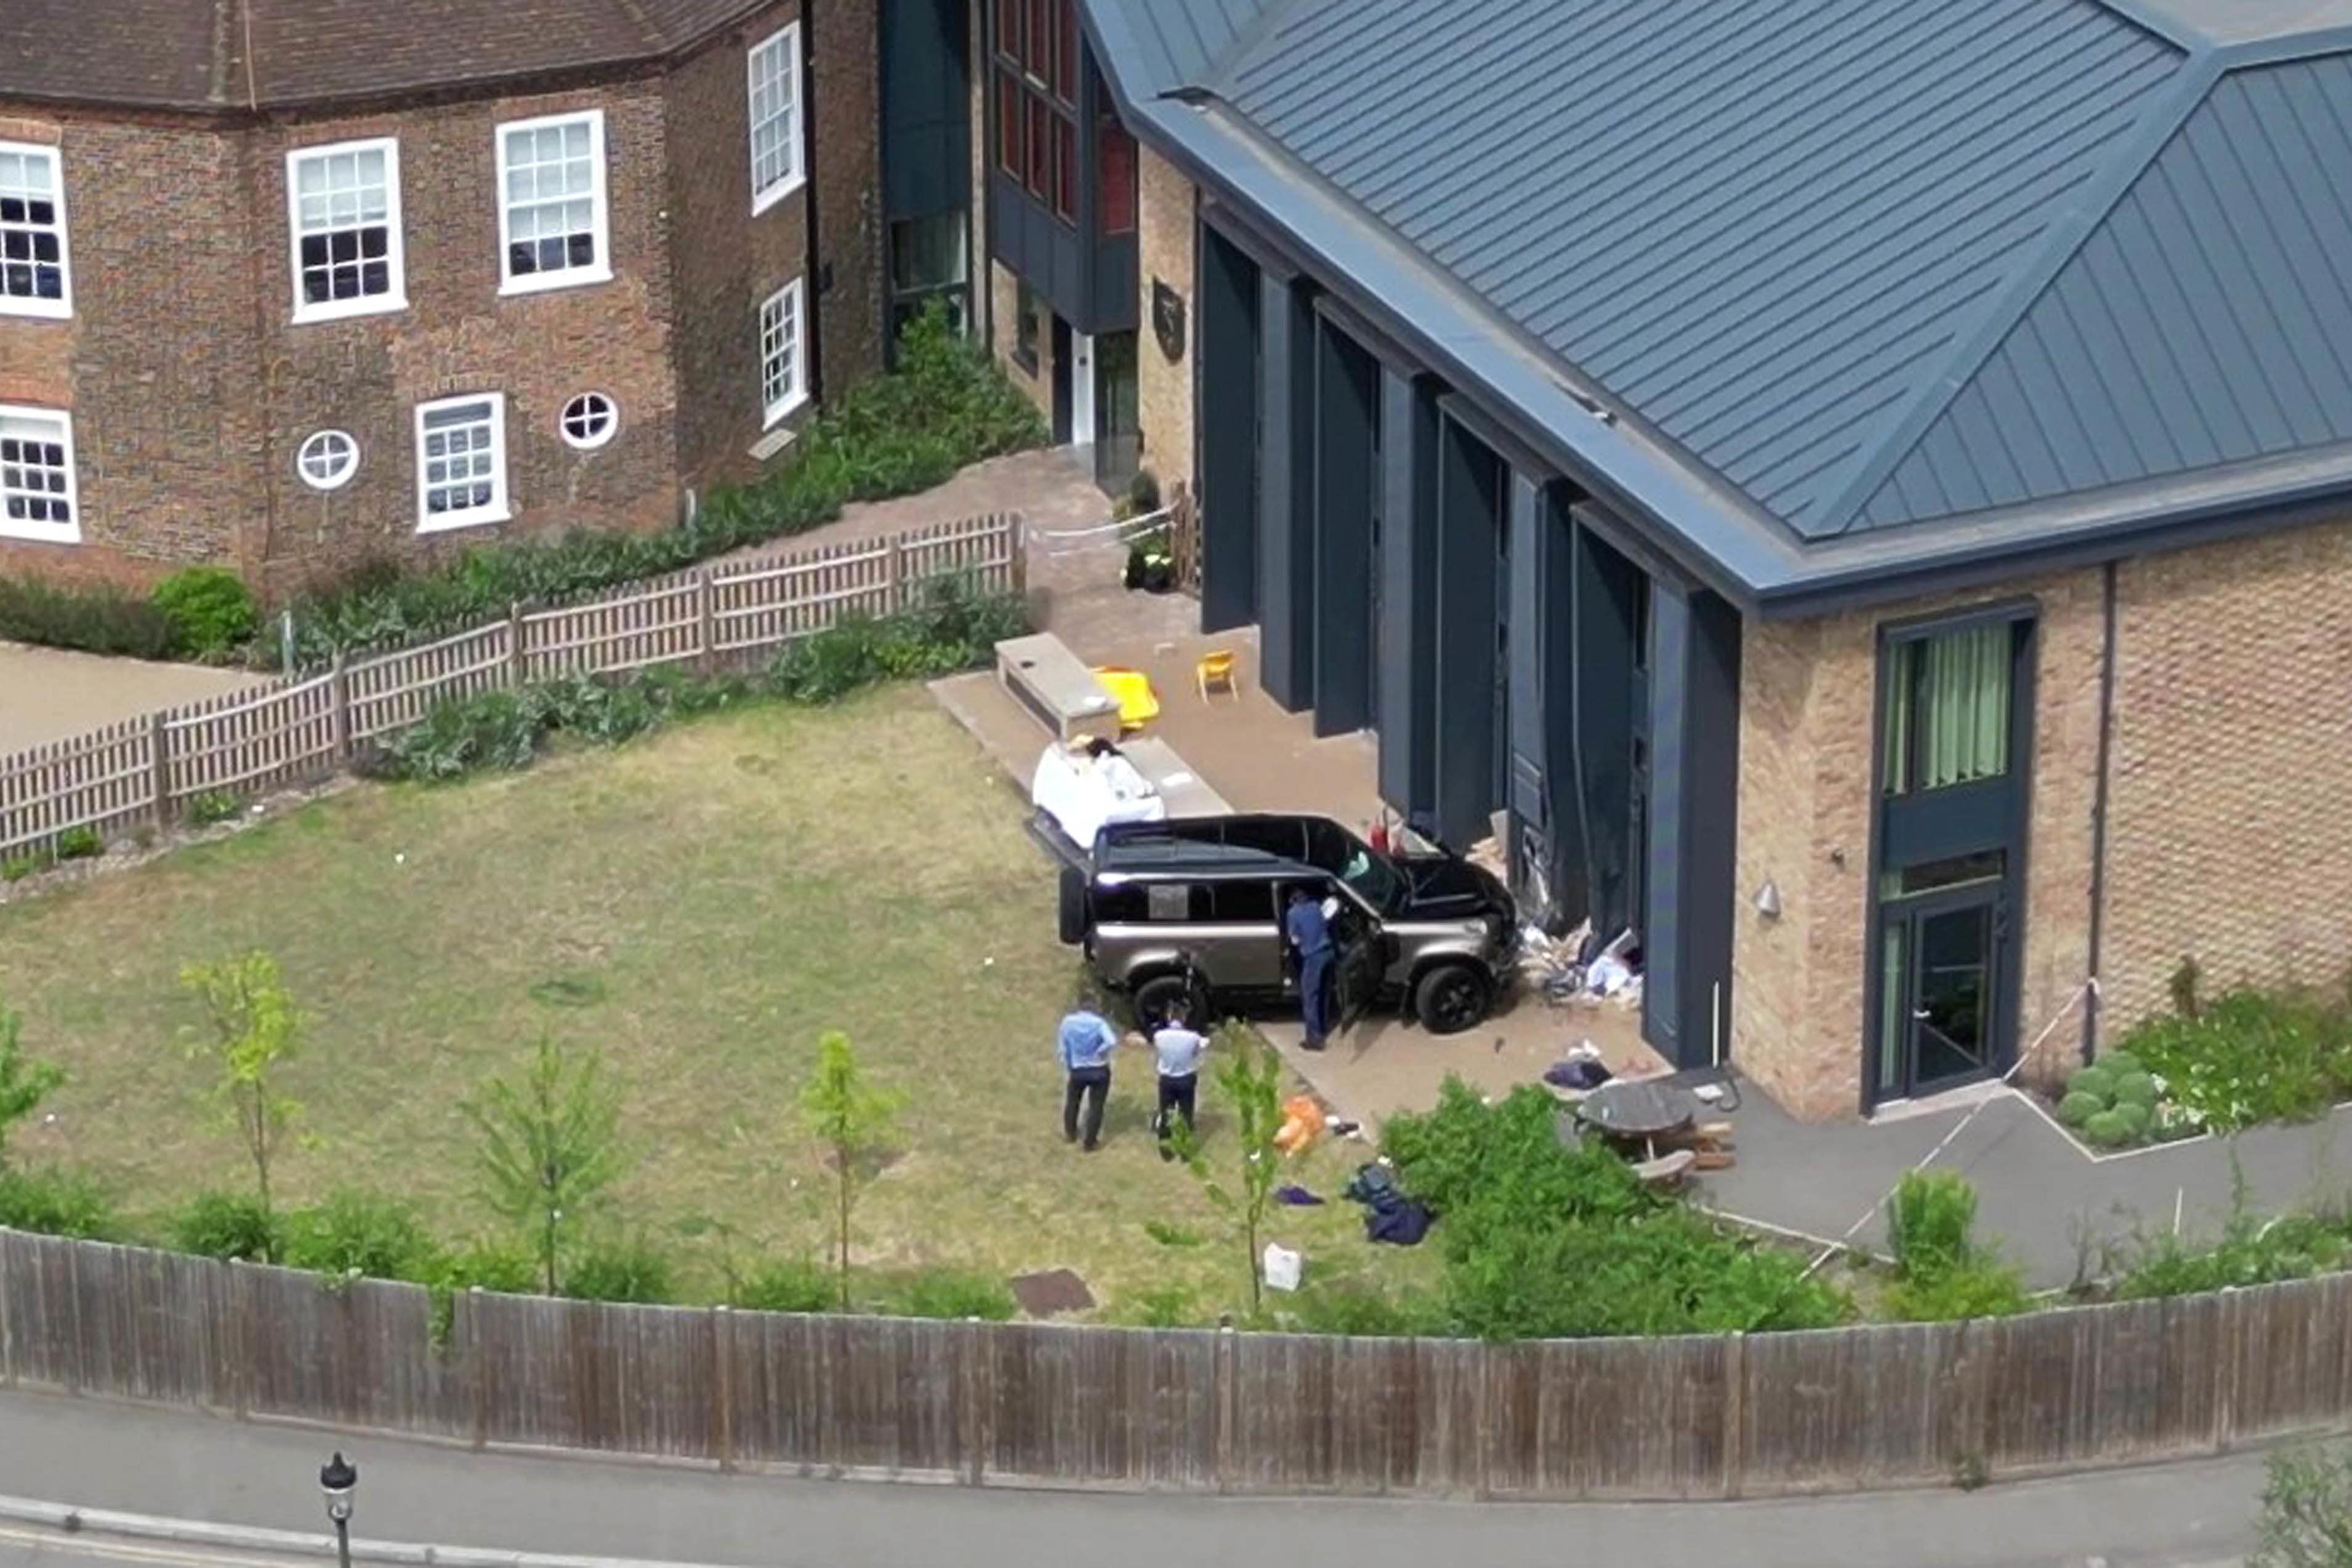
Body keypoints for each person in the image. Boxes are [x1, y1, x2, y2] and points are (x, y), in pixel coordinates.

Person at [1057, 1003, 1119, 1151]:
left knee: (1073, 1101)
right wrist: (1100, 1051)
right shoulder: (1098, 1023)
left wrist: (1069, 1063)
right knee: (1096, 1106)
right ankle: (1090, 1142)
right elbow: (1111, 1041)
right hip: (1098, 1069)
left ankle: (1070, 1133)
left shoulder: (1068, 1022)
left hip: (1078, 1068)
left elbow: (1063, 1047)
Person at [1150, 1008, 1209, 1157]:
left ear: (1170, 1018)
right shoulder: (1193, 1037)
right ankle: (1185, 1151)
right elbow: (1198, 1050)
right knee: (1186, 1114)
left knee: (1166, 1113)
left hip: (1167, 1079)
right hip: (1186, 1078)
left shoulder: (1160, 1036)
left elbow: (1158, 1051)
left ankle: (1166, 1150)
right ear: (1184, 1019)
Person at [1286, 886, 1335, 1051]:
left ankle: (1314, 1039)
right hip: (1328, 952)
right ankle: (1323, 1026)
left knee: (1309, 997)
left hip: (1313, 957)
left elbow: (1294, 941)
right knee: (1323, 994)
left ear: (1292, 900)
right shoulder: (1315, 906)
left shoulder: (1292, 913)